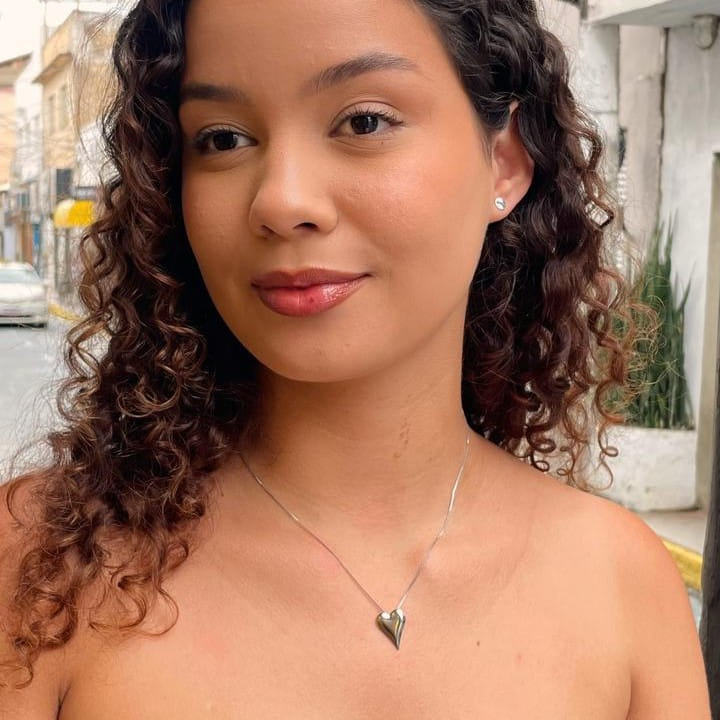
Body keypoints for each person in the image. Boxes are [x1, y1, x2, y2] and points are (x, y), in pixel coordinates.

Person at [0, 0, 711, 717]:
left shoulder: (621, 585)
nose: (281, 201)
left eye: (364, 122)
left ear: (504, 162)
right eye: (221, 138)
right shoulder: (41, 564)